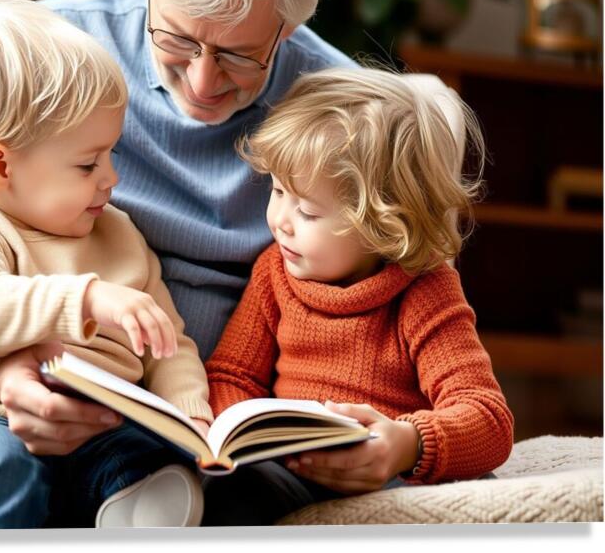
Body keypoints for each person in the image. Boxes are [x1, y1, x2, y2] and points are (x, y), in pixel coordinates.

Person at [0, 0, 356, 469]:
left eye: (241, 54)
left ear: (287, 27)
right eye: (178, 39)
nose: (204, 82)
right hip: (69, 393)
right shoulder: (52, 53)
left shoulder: (339, 106)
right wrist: (5, 365)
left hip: (247, 432)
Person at [0, 0, 214, 529]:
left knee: (150, 462)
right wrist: (88, 297)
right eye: (87, 163)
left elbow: (167, 342)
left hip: (89, 438)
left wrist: (189, 414)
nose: (111, 179)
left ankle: (133, 513)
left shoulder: (118, 232)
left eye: (111, 155)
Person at [201, 67, 515, 525]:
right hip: (289, 471)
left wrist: (405, 445)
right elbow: (233, 375)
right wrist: (239, 434)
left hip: (387, 475)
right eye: (278, 190)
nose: (280, 220)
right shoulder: (274, 271)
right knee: (233, 494)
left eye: (307, 210)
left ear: (383, 225)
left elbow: (489, 420)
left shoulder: (425, 289)